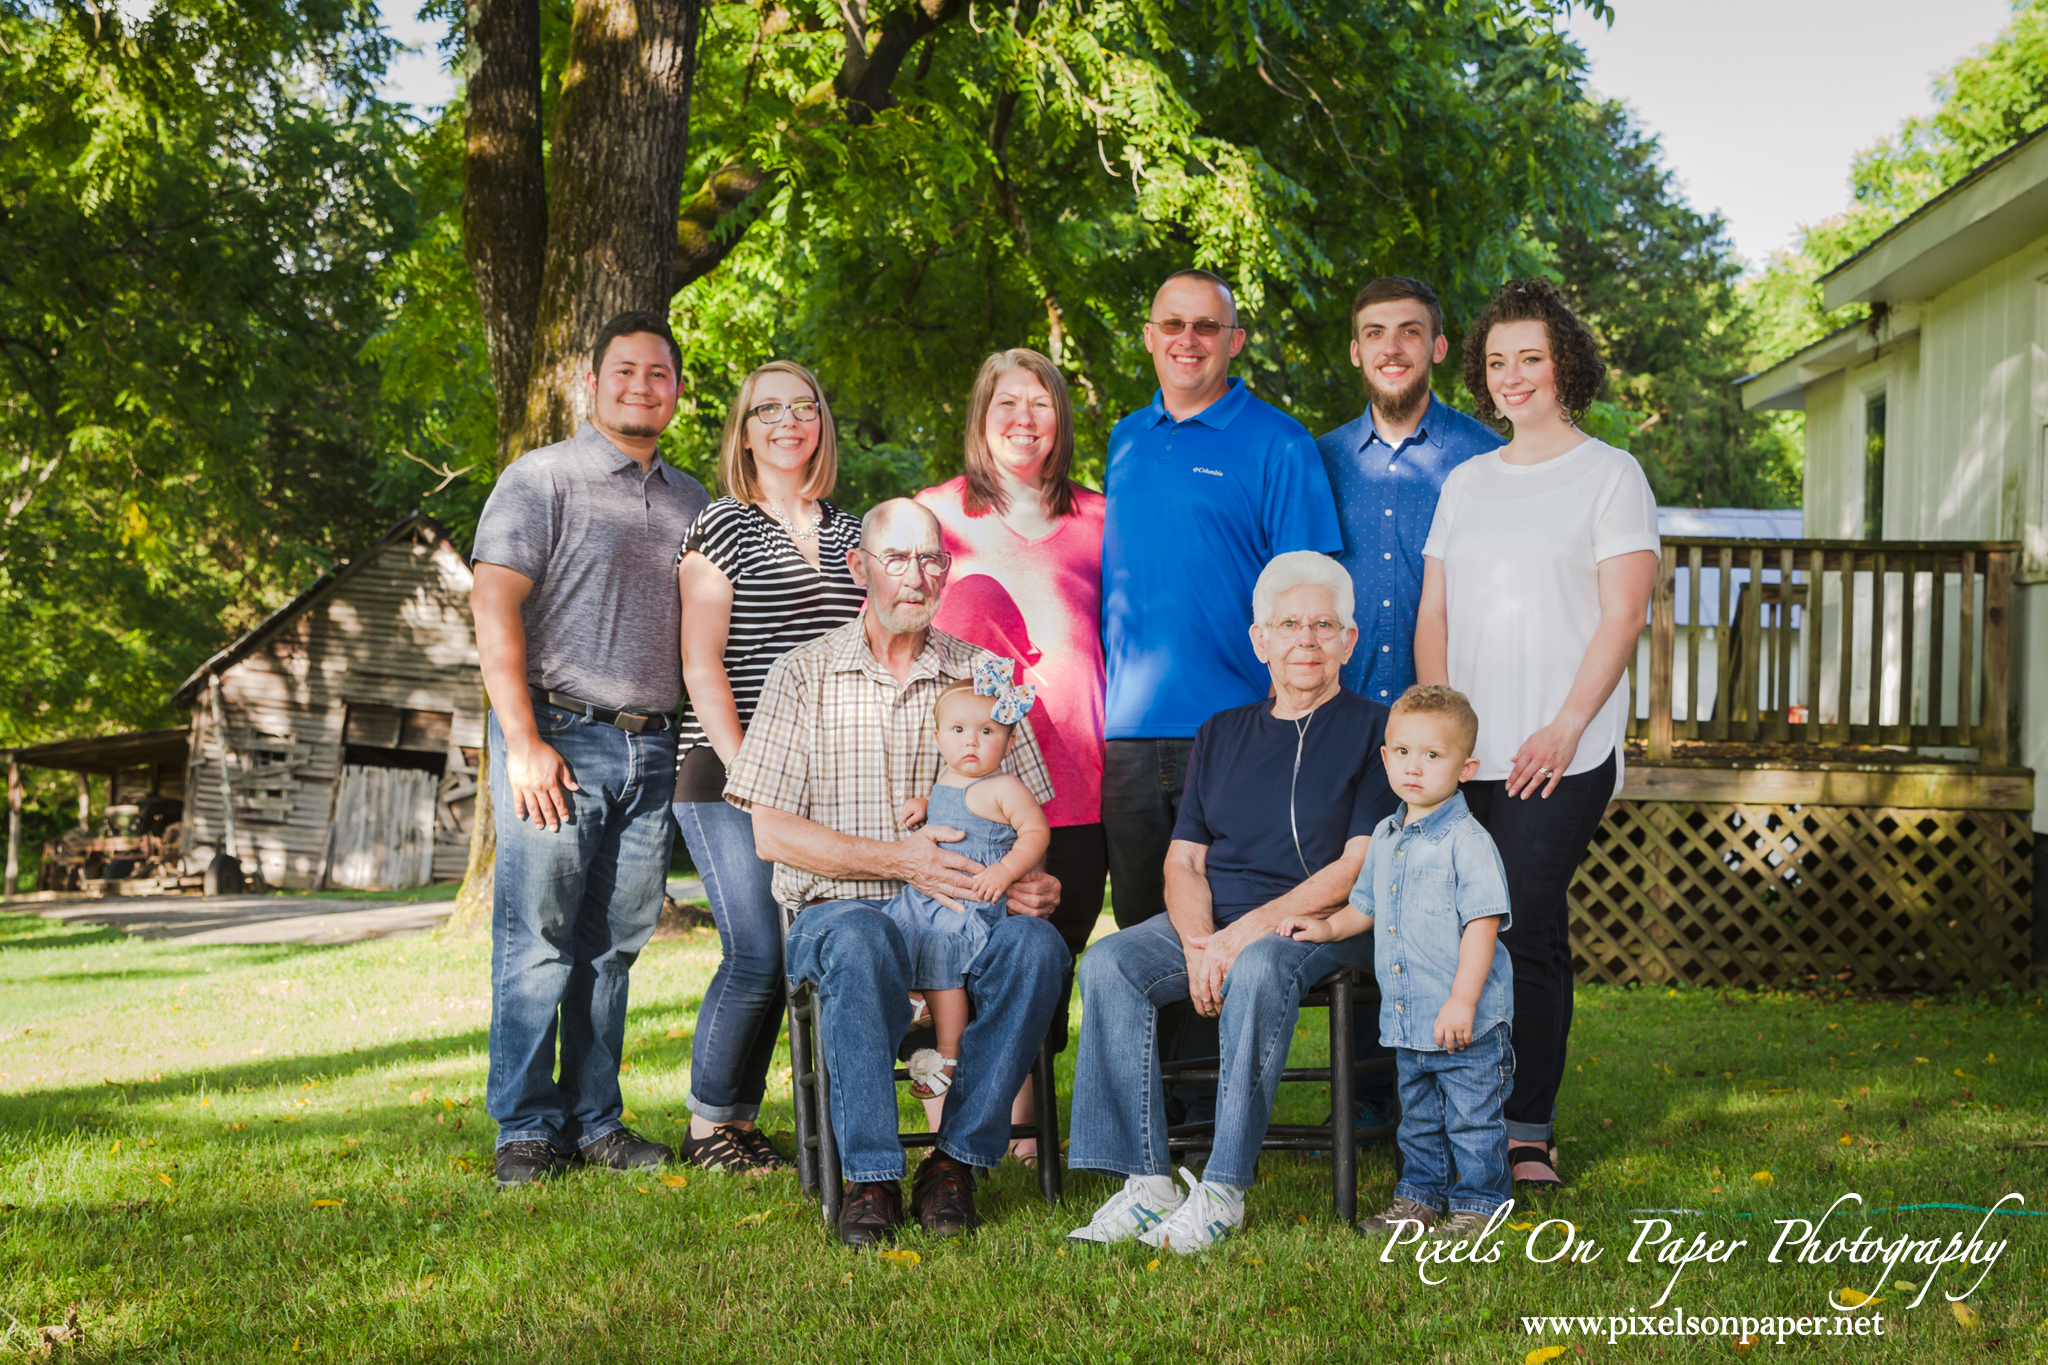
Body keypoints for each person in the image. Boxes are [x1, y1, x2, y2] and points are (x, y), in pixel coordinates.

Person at [724, 498, 1068, 1245]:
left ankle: (953, 1162)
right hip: (841, 913)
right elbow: (769, 831)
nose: (919, 575)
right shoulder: (802, 675)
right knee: (859, 938)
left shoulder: (983, 678)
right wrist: (897, 860)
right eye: (899, 558)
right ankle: (871, 1175)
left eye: (933, 560)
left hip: (964, 919)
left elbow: (1027, 817)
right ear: (860, 567)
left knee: (1040, 947)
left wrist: (1030, 878)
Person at [1065, 551, 1398, 1254]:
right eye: (1289, 624)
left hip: (1328, 921)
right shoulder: (1220, 731)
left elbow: (1357, 861)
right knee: (1110, 963)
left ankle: (1221, 1190)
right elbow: (1184, 858)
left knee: (1256, 966)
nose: (1305, 638)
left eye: (1322, 624)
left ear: (1349, 639)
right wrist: (1196, 942)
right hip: (1216, 922)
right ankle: (1147, 1182)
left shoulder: (1377, 729)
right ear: (1260, 640)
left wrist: (1238, 937)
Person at [1417, 277, 1659, 1189]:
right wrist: (1441, 732)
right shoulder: (1467, 481)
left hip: (1562, 750)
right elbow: (1435, 607)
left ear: (1565, 365)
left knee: (1522, 921)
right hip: (1469, 754)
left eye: (1530, 358)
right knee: (1456, 928)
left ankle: (1527, 1129)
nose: (1512, 376)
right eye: (1497, 362)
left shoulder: (1610, 474)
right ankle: (1452, 1113)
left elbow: (1621, 615)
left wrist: (1565, 725)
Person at [471, 312, 711, 1189]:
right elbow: (493, 606)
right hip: (558, 736)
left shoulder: (693, 502)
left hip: (652, 749)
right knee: (538, 938)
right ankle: (527, 1129)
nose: (642, 385)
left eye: (659, 374)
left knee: (613, 945)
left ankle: (595, 1122)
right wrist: (524, 741)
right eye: (625, 371)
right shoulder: (542, 479)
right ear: (592, 382)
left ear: (677, 393)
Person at [1100, 271, 1342, 933]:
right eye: (1172, 324)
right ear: (1149, 338)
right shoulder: (1125, 441)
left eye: (1206, 326)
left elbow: (1311, 599)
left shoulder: (1281, 444)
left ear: (1234, 340)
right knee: (1141, 937)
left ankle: (1223, 1047)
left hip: (1238, 728)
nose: (1188, 339)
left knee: (1230, 929)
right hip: (1127, 734)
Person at [670, 360, 865, 1175]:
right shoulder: (720, 526)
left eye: (803, 406)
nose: (788, 420)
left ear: (820, 422)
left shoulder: (854, 534)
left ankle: (743, 1126)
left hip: (830, 782)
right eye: (767, 409)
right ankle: (707, 1122)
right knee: (754, 948)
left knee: (793, 955)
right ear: (744, 432)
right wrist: (749, 771)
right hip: (728, 772)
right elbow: (702, 664)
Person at [915, 347, 1106, 1166]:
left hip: (1082, 780)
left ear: (1061, 417)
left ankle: (1023, 1127)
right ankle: (948, 1129)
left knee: (1045, 956)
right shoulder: (935, 516)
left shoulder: (1102, 520)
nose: (1024, 420)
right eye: (1007, 404)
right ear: (979, 417)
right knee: (954, 953)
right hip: (972, 789)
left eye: (1041, 404)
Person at [1281, 685, 1515, 1242]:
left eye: (1433, 756)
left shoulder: (1468, 841)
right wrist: (1327, 927)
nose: (1415, 767)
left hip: (1466, 1022)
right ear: (1385, 757)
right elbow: (1364, 905)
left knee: (1472, 1117)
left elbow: (1482, 924)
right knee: (1420, 1118)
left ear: (1466, 767)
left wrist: (1462, 999)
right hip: (1409, 1018)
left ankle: (1481, 1205)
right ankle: (1420, 1199)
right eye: (1403, 753)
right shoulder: (1385, 837)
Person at [1316, 277, 1503, 706]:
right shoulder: (1320, 461)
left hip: (1457, 717)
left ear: (1438, 347)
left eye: (1410, 332)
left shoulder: (1488, 458)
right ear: (1355, 352)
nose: (1392, 348)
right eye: (1375, 333)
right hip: (1340, 716)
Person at [886, 668, 1051, 1115]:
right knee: (889, 929)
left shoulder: (1006, 787)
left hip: (969, 904)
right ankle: (913, 998)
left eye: (987, 731)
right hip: (924, 901)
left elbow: (1035, 833)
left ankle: (948, 1052)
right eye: (959, 731)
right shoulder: (946, 778)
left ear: (1010, 742)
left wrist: (1005, 869)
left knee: (940, 951)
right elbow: (949, 815)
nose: (972, 742)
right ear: (939, 738)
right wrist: (923, 808)